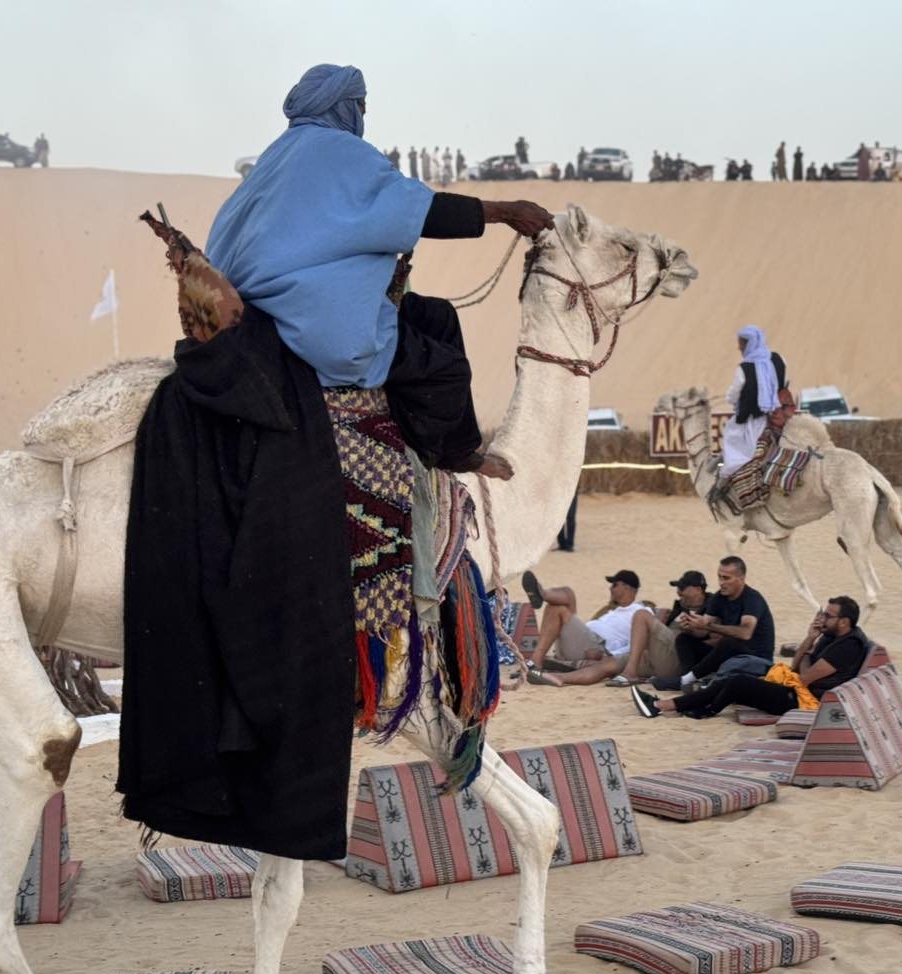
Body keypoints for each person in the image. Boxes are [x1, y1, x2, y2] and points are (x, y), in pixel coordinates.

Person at [205, 64, 554, 478]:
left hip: (263, 305)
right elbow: (419, 211)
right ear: (345, 107)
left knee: (438, 317)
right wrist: (506, 213)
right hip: (299, 314)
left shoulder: (279, 155)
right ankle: (419, 466)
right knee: (445, 371)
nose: (363, 118)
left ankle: (461, 449)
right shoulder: (339, 151)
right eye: (362, 107)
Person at [632, 596, 865, 719]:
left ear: (844, 622)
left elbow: (803, 678)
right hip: (794, 689)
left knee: (737, 682)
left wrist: (809, 655)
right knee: (732, 680)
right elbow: (796, 666)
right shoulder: (829, 636)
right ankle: (677, 706)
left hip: (801, 700)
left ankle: (680, 707)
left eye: (829, 616)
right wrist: (809, 639)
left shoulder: (847, 647)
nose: (823, 618)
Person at [531, 571, 710, 688]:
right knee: (607, 666)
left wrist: (696, 628)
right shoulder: (678, 609)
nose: (678, 592)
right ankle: (560, 678)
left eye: (682, 588)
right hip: (654, 655)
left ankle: (630, 673)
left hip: (677, 656)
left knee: (640, 615)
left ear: (697, 589)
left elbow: (710, 639)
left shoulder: (710, 608)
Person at [649, 556, 775, 692]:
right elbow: (703, 631)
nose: (721, 583)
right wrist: (692, 626)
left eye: (726, 578)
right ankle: (689, 682)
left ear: (741, 578)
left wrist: (707, 625)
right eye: (719, 577)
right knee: (684, 639)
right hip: (729, 656)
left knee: (727, 642)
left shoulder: (752, 598)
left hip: (757, 659)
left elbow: (745, 633)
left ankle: (685, 680)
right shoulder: (719, 598)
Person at [520, 570, 650, 675]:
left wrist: (609, 656)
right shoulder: (612, 610)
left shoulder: (641, 611)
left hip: (596, 649)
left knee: (558, 608)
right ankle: (542, 594)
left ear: (627, 588)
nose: (610, 589)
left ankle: (543, 594)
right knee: (565, 596)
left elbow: (641, 642)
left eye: (614, 585)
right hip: (583, 642)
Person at [720, 325, 786, 480]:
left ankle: (736, 475)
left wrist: (730, 398)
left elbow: (733, 396)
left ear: (750, 344)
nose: (739, 348)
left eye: (742, 343)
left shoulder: (744, 368)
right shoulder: (779, 359)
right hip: (781, 417)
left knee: (731, 434)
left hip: (755, 421)